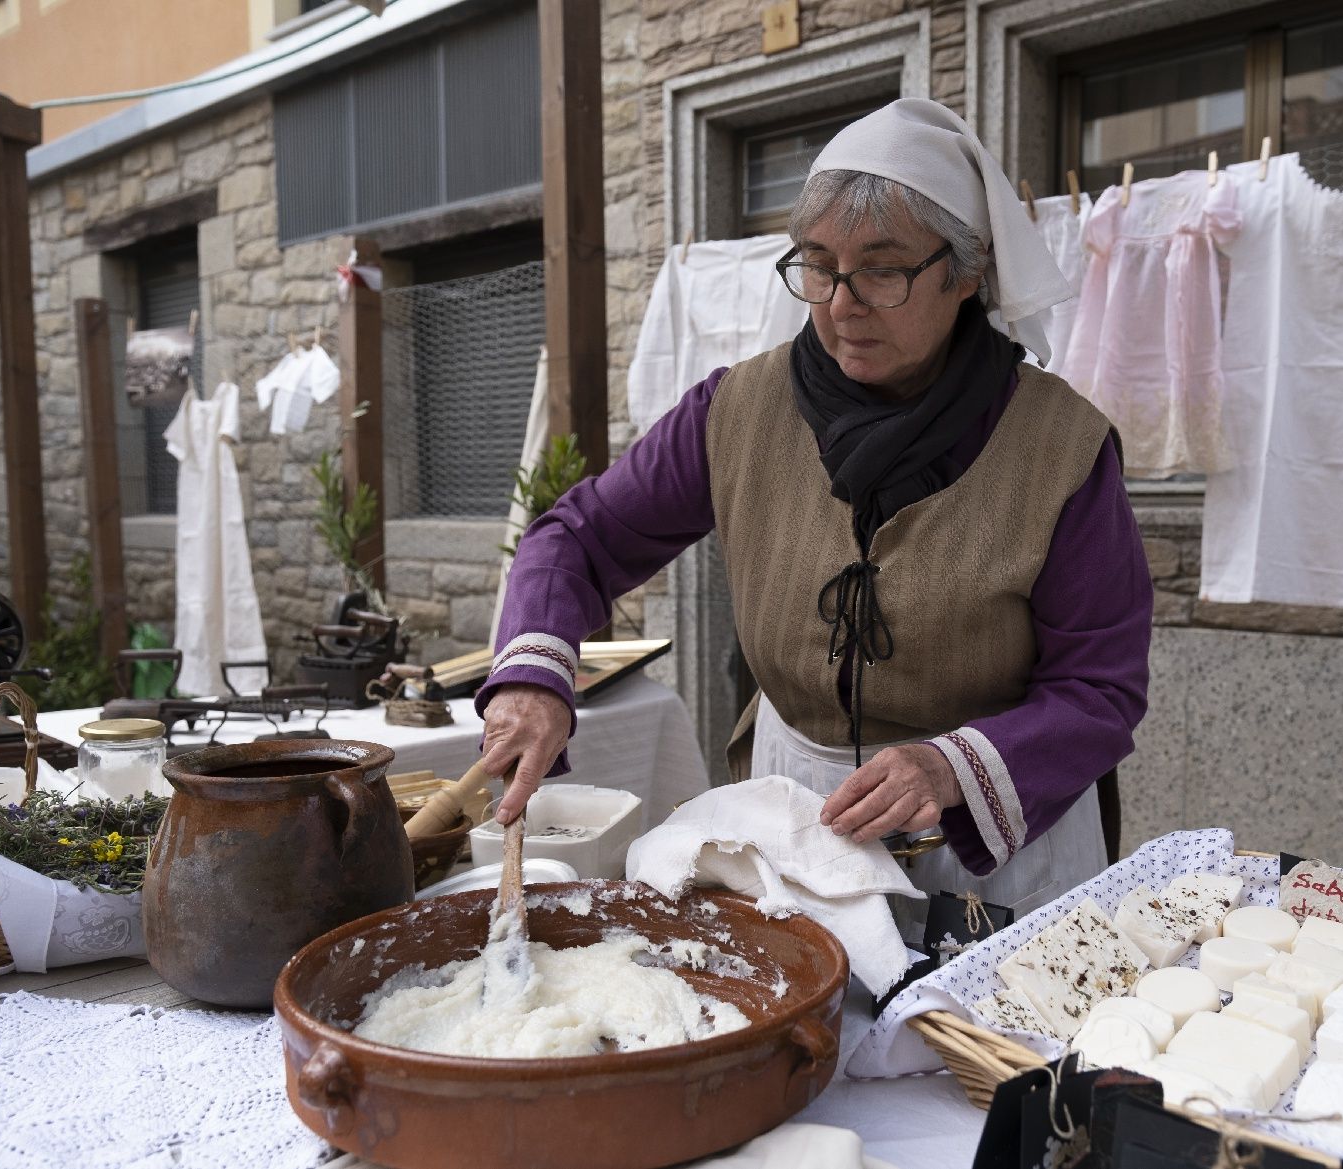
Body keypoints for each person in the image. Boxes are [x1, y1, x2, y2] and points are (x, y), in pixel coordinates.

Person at [476, 99, 1152, 917]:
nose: (838, 303)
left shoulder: (1060, 448)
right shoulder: (738, 411)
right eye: (818, 265)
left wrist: (948, 768)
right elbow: (577, 538)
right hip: (795, 819)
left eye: (881, 269)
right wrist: (533, 679)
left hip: (993, 840)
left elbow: (1099, 687)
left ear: (966, 270)